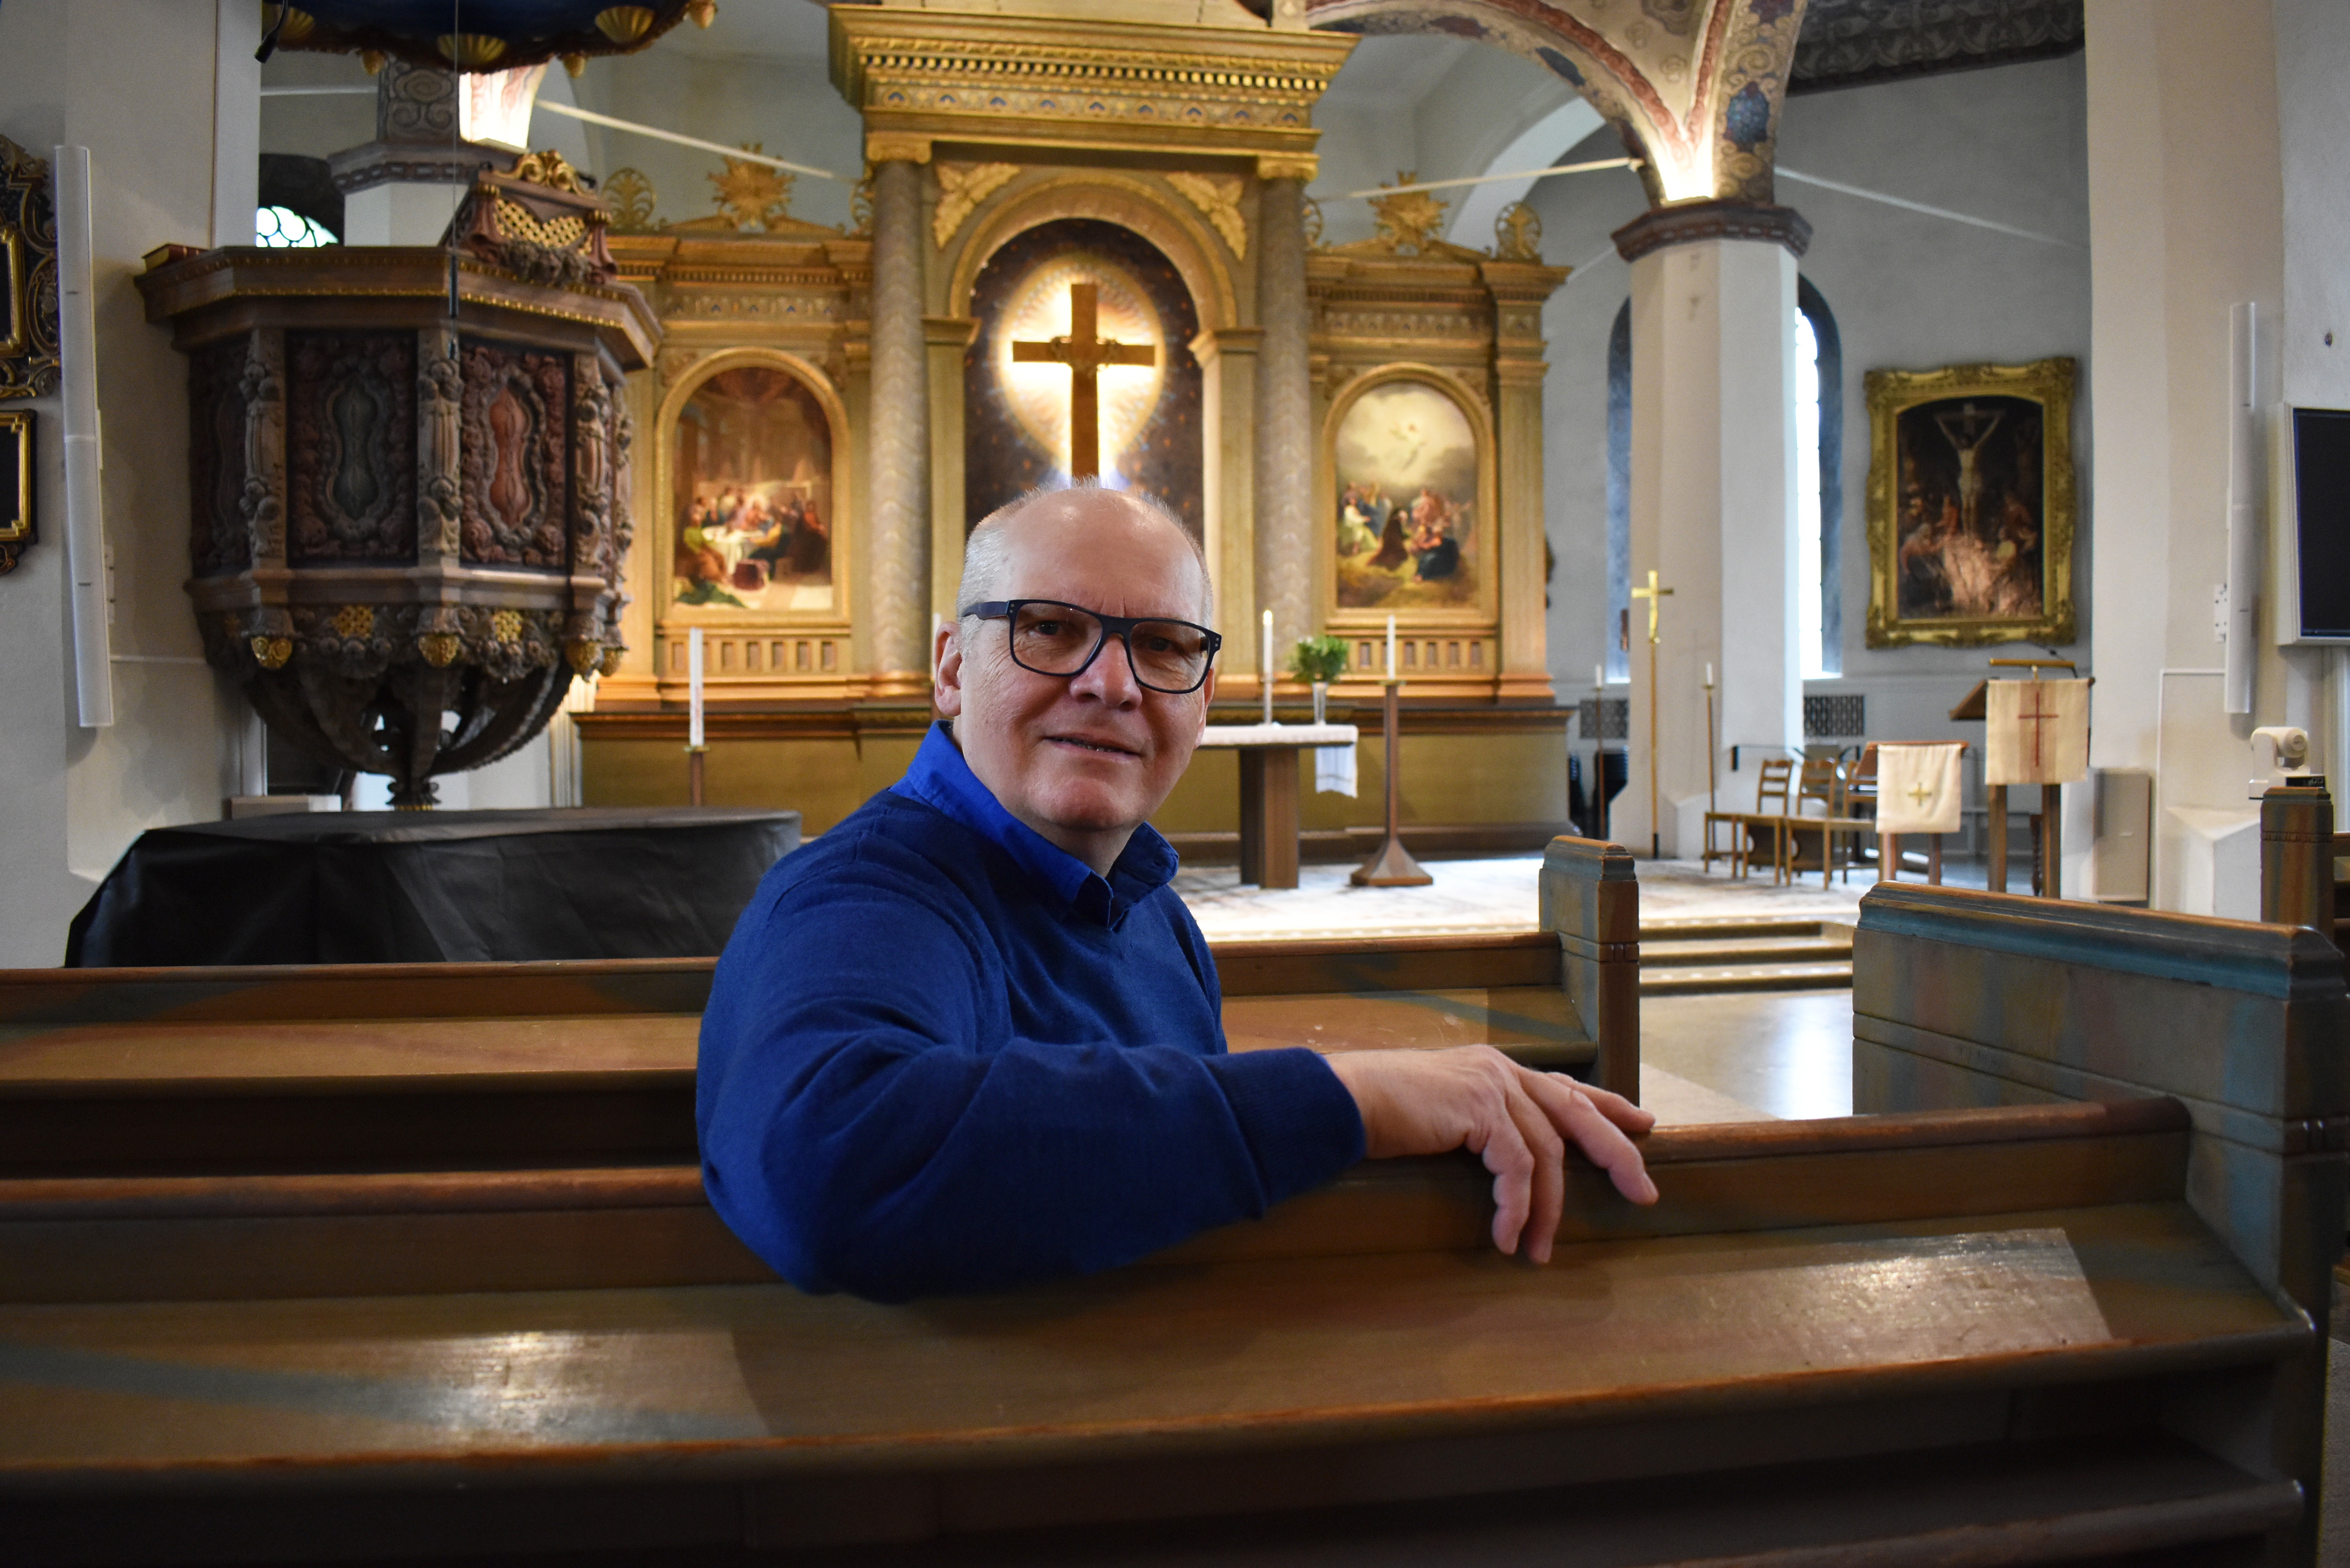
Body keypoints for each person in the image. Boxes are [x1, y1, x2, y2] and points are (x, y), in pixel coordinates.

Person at [697, 482, 1656, 1301]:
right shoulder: (865, 896)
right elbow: (825, 1162)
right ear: (952, 667)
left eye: (1161, 646)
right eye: (1050, 629)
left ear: (1202, 697)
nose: (1110, 683)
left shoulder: (1153, 909)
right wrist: (1348, 1093)